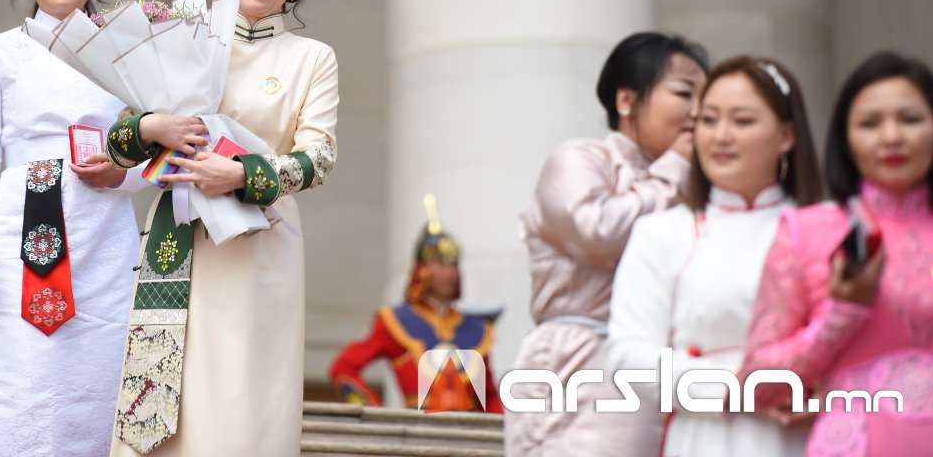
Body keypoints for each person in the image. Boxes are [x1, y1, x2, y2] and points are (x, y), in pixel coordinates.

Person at [105, 0, 339, 456]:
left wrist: (242, 173)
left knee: (241, 393)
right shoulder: (179, 38)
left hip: (257, 245)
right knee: (171, 386)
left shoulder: (311, 57)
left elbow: (320, 156)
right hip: (178, 238)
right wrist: (150, 126)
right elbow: (118, 144)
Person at [0, 0, 149, 456]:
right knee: (18, 369)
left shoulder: (125, 52)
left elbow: (155, 150)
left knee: (97, 366)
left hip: (102, 231)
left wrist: (123, 172)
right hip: (18, 228)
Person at [506, 32, 709, 456]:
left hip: (666, 368)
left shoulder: (695, 185)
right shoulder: (579, 159)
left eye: (704, 99)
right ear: (626, 100)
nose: (698, 111)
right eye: (684, 93)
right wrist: (676, 168)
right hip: (583, 356)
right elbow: (599, 233)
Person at [607, 57, 821, 456]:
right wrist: (735, 388)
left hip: (803, 435)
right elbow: (626, 356)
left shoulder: (826, 227)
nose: (721, 136)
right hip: (706, 437)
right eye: (708, 120)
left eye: (742, 121)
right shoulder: (662, 233)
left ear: (786, 135)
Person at [739, 52, 933, 456]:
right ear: (846, 141)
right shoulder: (807, 232)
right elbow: (756, 385)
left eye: (910, 119)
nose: (892, 136)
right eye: (870, 123)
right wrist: (842, 315)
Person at [329, 196, 503, 413]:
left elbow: (489, 396)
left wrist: (503, 429)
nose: (449, 272)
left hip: (468, 428)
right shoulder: (394, 320)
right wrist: (375, 415)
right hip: (417, 427)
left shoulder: (476, 328)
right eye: (440, 263)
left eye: (453, 264)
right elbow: (344, 367)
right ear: (421, 270)